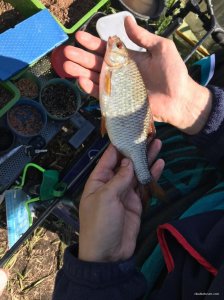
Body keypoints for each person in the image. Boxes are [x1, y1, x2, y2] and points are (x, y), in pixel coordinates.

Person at [53, 17, 224, 299]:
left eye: (117, 47)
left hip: (137, 257)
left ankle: (147, 181)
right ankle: (147, 180)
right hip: (148, 227)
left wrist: (98, 269)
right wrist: (194, 108)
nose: (113, 46)